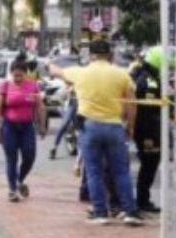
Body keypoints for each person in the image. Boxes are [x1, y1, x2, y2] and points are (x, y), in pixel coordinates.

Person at [51, 40, 141, 226]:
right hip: (114, 126)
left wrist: (50, 65)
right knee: (121, 171)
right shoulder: (122, 75)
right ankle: (130, 211)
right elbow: (131, 104)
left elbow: (57, 72)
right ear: (110, 55)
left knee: (93, 171)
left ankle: (100, 212)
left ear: (90, 55)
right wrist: (130, 126)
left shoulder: (80, 72)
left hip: (89, 127)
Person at [0, 60, 46, 202]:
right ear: (11, 74)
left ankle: (19, 180)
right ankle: (12, 190)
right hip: (9, 127)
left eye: (20, 76)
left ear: (26, 74)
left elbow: (40, 107)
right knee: (12, 159)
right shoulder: (4, 86)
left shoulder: (33, 86)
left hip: (27, 127)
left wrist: (42, 125)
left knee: (29, 157)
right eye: (15, 75)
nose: (18, 79)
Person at [130, 46, 167, 214]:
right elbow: (147, 111)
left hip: (148, 129)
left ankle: (142, 199)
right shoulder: (149, 82)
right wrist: (150, 135)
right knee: (150, 163)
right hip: (147, 130)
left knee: (149, 163)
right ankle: (142, 200)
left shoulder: (147, 77)